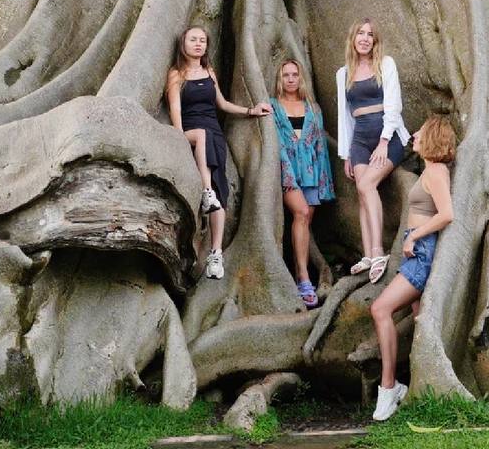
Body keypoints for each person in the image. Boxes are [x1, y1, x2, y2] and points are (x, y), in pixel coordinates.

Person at [166, 25, 270, 279]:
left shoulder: (209, 71)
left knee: (220, 190)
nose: (199, 44)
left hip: (214, 134)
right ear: (183, 44)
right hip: (190, 132)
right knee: (200, 135)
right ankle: (205, 192)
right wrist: (179, 136)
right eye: (193, 39)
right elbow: (175, 110)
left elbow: (221, 104)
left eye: (202, 40)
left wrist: (250, 111)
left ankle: (215, 253)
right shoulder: (176, 74)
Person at [369, 115, 455, 421]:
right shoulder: (431, 170)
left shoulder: (436, 172)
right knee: (420, 320)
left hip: (420, 251)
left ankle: (389, 386)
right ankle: (424, 387)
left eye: (420, 131)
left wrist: (416, 236)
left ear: (432, 137)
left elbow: (447, 214)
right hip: (414, 249)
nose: (414, 134)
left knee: (380, 309)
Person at [336, 18, 410, 284]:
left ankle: (379, 252)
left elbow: (394, 104)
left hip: (387, 136)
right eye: (360, 33)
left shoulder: (385, 64)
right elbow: (344, 116)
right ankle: (368, 255)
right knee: (361, 189)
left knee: (367, 185)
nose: (365, 38)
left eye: (370, 35)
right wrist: (345, 153)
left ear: (375, 41)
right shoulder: (343, 73)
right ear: (353, 38)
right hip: (359, 140)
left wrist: (383, 140)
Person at [270, 59, 335, 309]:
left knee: (305, 220)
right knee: (301, 211)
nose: (290, 79)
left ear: (300, 78)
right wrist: (287, 175)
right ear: (280, 79)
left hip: (311, 173)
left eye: (294, 74)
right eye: (285, 75)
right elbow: (276, 142)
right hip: (287, 170)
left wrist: (323, 181)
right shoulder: (274, 106)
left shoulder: (312, 107)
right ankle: (304, 278)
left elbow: (320, 147)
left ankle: (301, 273)